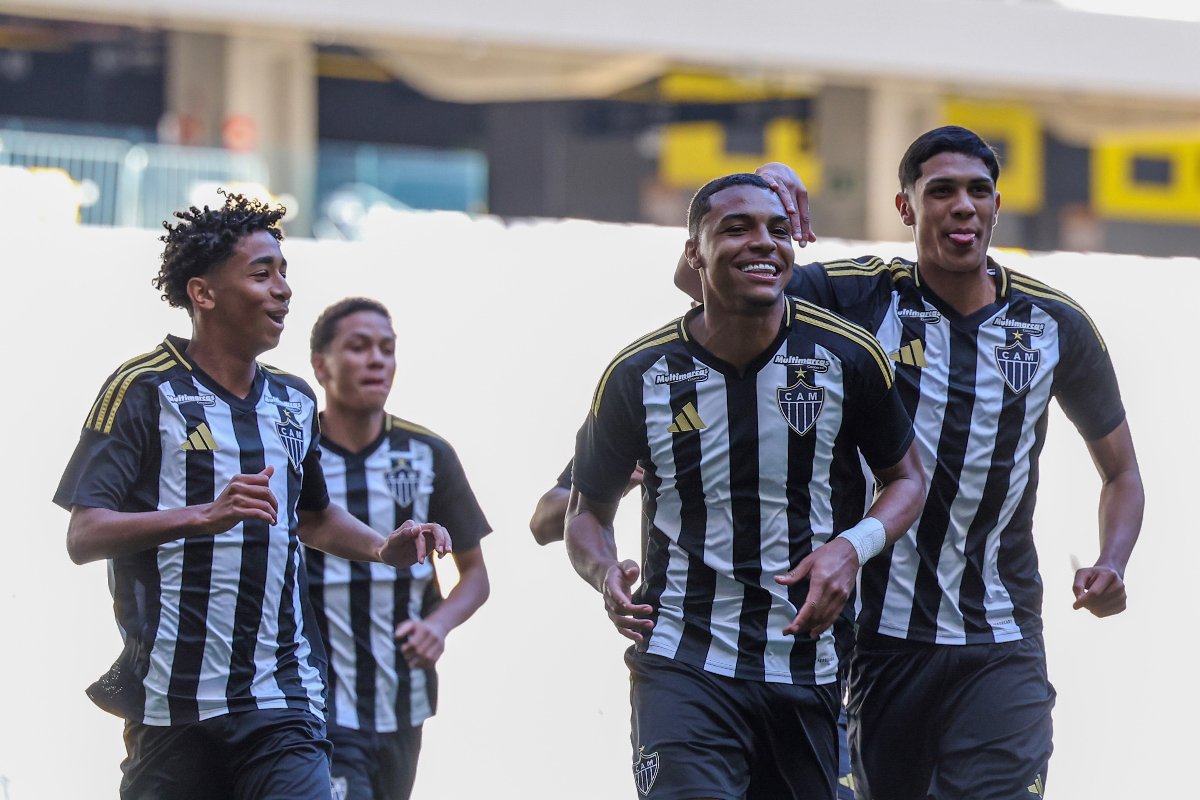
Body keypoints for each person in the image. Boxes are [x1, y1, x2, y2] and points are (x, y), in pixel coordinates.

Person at [677, 126, 1145, 799]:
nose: (963, 206)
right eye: (942, 190)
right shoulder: (859, 297)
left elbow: (1122, 472)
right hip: (875, 639)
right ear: (906, 207)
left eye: (978, 191)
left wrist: (1114, 560)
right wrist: (758, 191)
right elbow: (703, 289)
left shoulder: (1052, 324)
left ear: (996, 205)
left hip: (1000, 634)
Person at [53, 193, 450, 800]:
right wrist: (203, 515)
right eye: (261, 274)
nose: (283, 290)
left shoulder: (293, 401)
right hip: (171, 705)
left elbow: (313, 518)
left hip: (281, 698)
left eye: (284, 273)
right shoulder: (142, 389)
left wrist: (381, 548)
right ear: (203, 293)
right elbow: (84, 535)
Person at [566, 173, 927, 799]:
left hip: (808, 665)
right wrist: (604, 573)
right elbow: (585, 514)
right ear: (692, 254)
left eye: (777, 230)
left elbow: (907, 479)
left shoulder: (848, 357)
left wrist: (852, 546)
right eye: (737, 228)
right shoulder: (638, 375)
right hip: (682, 661)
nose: (763, 243)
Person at [306, 297, 493, 800]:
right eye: (359, 347)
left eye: (387, 349)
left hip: (403, 699)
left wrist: (438, 625)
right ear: (321, 366)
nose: (376, 360)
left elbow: (474, 576)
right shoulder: (297, 450)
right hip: (317, 699)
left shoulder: (428, 453)